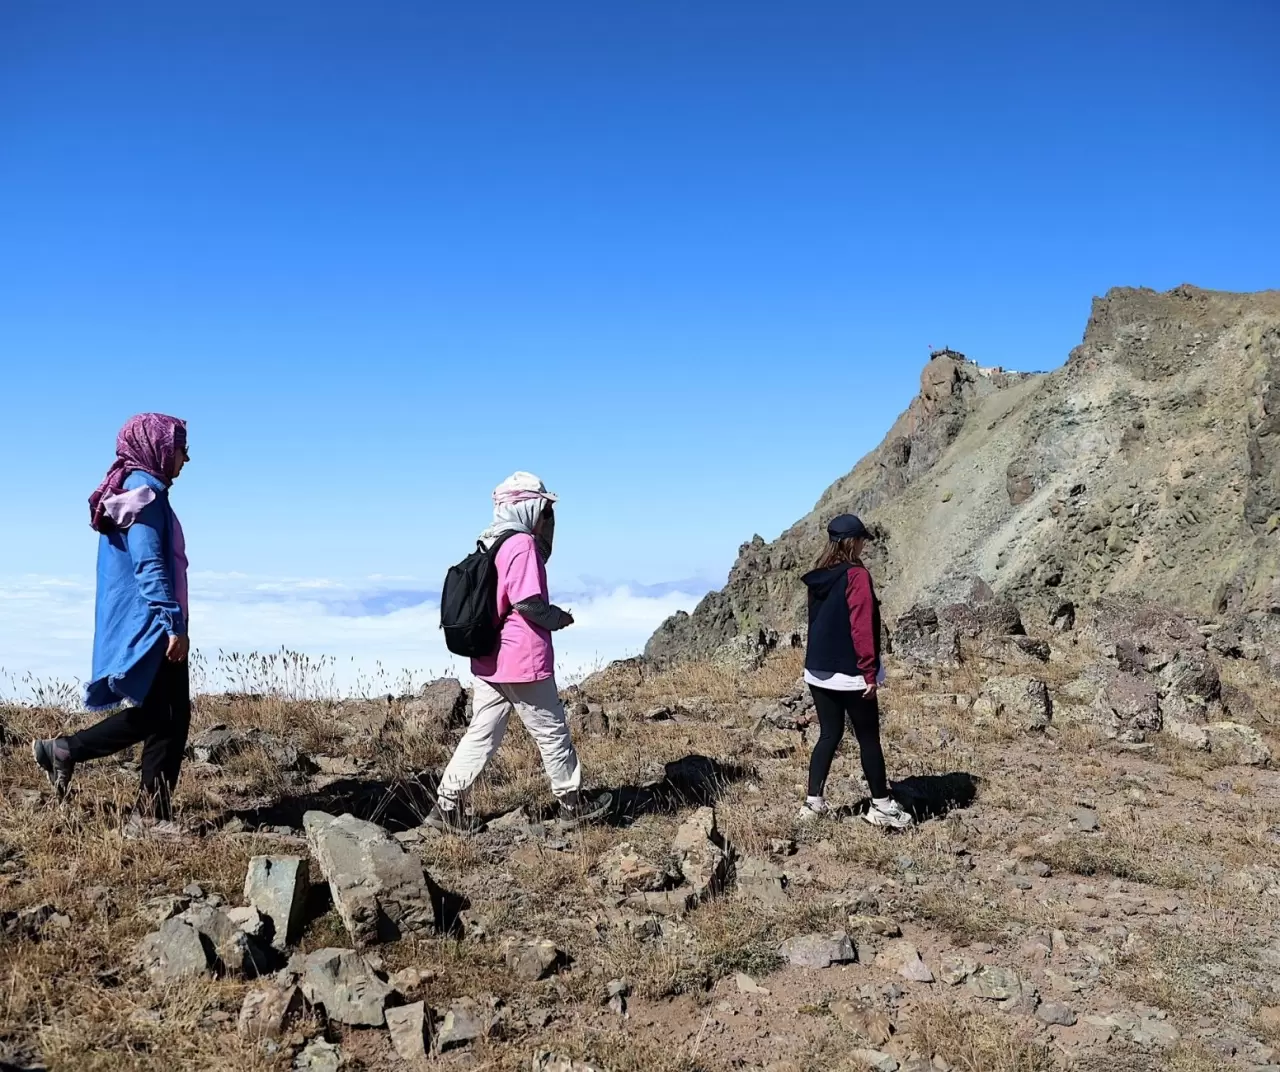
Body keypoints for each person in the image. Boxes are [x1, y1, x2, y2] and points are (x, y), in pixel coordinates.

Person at [426, 472, 612, 833]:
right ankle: (572, 805)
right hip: (523, 662)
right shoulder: (522, 545)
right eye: (544, 510)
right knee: (551, 730)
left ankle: (446, 806)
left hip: (489, 659)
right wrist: (558, 618)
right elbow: (528, 603)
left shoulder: (490, 540)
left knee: (482, 733)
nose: (547, 518)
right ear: (529, 507)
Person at [32, 413, 192, 826]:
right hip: (152, 625)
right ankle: (72, 755)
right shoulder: (143, 495)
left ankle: (147, 811)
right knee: (163, 716)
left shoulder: (138, 489)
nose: (186, 458)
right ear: (156, 447)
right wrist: (172, 622)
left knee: (169, 715)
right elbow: (149, 565)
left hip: (147, 621)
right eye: (180, 448)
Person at [798, 513, 913, 829]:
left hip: (818, 670)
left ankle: (813, 803)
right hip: (851, 673)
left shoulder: (820, 576)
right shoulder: (856, 576)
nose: (864, 545)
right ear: (853, 541)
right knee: (868, 738)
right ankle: (881, 806)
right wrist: (869, 672)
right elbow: (861, 626)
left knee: (829, 735)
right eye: (862, 539)